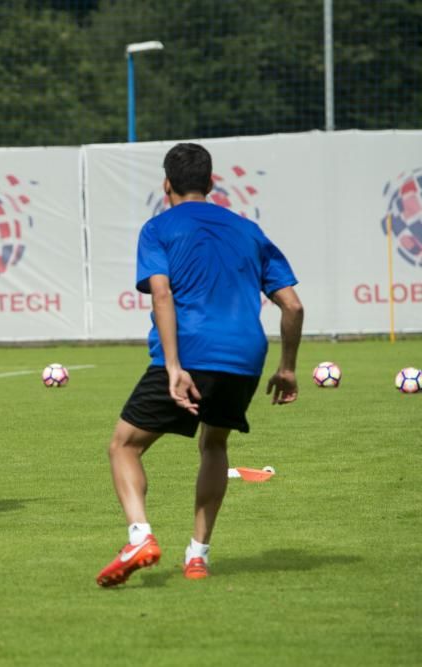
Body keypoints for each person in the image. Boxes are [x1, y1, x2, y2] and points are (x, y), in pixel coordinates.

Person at [95, 142, 304, 587]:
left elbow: (163, 294)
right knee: (214, 445)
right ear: (211, 184)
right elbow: (293, 307)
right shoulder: (248, 230)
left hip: (191, 351)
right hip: (246, 355)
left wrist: (173, 365)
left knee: (124, 446)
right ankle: (198, 555)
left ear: (166, 185)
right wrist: (287, 367)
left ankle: (140, 537)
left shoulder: (158, 229)